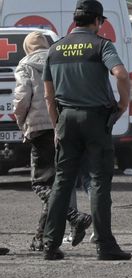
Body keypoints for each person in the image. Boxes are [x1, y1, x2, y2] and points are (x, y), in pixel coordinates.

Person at [42, 0, 131, 261]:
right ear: (98, 21)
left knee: (62, 182)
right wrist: (123, 104)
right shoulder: (101, 45)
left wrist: (56, 126)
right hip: (95, 120)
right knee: (99, 181)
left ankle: (50, 245)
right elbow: (121, 74)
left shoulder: (55, 48)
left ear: (75, 20)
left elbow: (48, 96)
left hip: (65, 119)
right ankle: (105, 245)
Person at [14, 31, 91, 252]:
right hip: (64, 126)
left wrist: (21, 123)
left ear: (27, 47)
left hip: (39, 129)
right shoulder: (59, 59)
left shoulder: (25, 64)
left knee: (40, 185)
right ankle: (40, 238)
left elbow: (21, 99)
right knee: (55, 184)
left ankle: (74, 217)